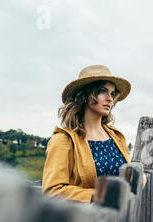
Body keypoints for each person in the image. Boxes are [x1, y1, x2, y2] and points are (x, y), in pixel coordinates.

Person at [42, 65, 146, 203]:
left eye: (112, 93)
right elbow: (52, 191)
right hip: (85, 221)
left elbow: (126, 177)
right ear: (85, 95)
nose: (110, 98)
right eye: (103, 91)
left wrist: (139, 178)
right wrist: (99, 195)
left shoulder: (116, 137)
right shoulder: (63, 140)